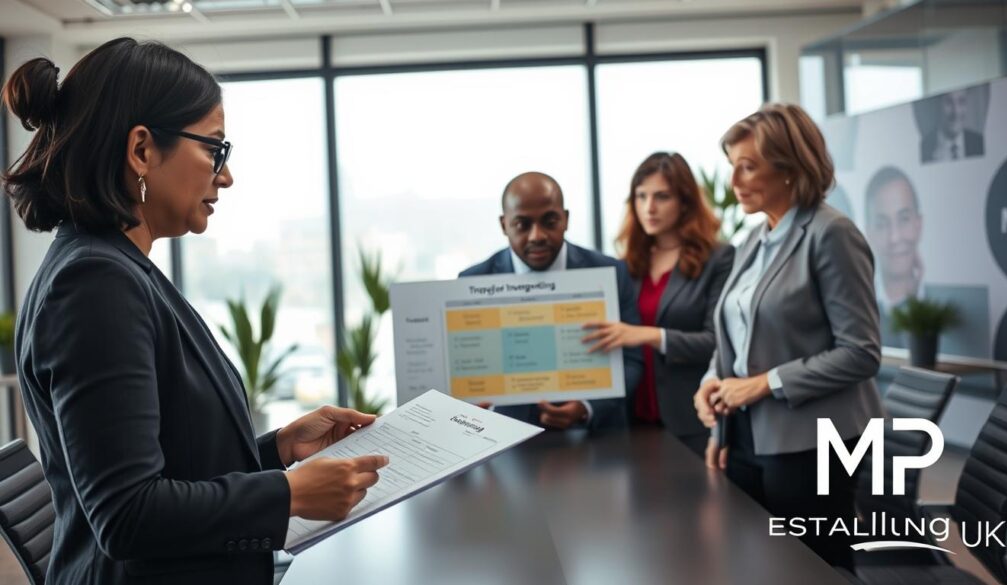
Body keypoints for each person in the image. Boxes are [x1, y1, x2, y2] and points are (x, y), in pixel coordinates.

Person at [4, 38, 388, 585]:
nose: (225, 176)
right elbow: (128, 514)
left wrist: (279, 450)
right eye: (214, 150)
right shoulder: (94, 282)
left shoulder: (115, 267)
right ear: (142, 150)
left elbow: (173, 461)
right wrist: (288, 493)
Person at [693, 103, 883, 569]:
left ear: (790, 167)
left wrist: (764, 383)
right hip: (746, 436)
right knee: (752, 565)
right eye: (731, 166)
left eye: (748, 166)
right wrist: (711, 387)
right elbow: (736, 336)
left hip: (813, 444)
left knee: (814, 569)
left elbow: (861, 352)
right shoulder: (753, 241)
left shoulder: (832, 234)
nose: (734, 181)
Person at [460, 172, 643, 431]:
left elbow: (632, 360)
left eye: (549, 221)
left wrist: (586, 407)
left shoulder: (610, 273)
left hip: (594, 438)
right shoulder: (472, 281)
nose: (537, 235)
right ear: (504, 225)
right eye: (522, 224)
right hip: (504, 437)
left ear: (565, 219)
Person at [580, 153, 734, 454]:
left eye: (662, 197)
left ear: (685, 202)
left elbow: (717, 343)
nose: (649, 207)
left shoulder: (718, 259)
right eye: (641, 196)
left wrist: (648, 335)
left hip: (689, 420)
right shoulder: (625, 266)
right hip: (629, 417)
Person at [864, 166, 922, 347]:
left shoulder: (944, 303)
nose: (894, 237)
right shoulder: (860, 305)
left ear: (919, 224)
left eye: (904, 219)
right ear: (869, 233)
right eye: (882, 224)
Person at [920, 89, 984, 163]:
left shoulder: (979, 143)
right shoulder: (924, 148)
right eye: (949, 102)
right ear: (938, 105)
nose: (956, 112)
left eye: (961, 101)